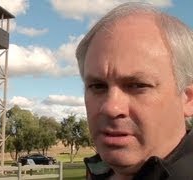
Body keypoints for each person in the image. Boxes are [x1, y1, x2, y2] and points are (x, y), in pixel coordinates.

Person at [75, 2, 193, 180]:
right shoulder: (98, 171)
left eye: (137, 85)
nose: (111, 108)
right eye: (97, 86)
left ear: (188, 99)